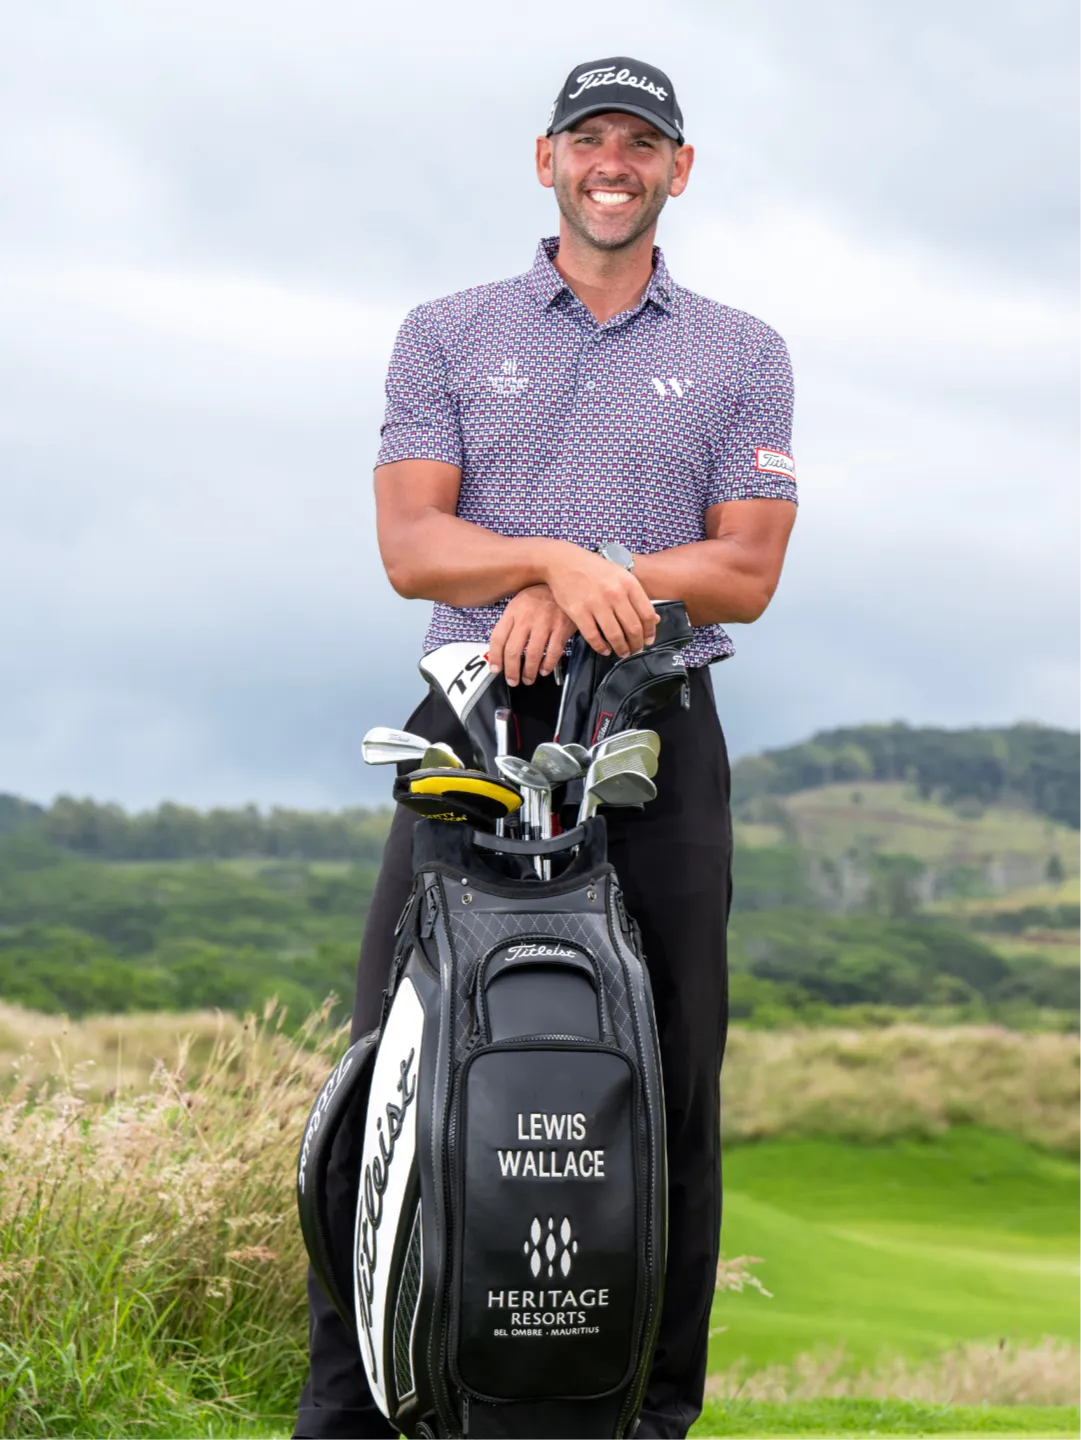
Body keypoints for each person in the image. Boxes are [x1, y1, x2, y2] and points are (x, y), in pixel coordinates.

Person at [294, 54, 797, 1440]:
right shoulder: (446, 332)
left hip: (657, 732)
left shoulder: (744, 351)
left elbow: (747, 570)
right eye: (590, 140)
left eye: (641, 143)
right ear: (547, 159)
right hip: (474, 723)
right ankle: (356, 1411)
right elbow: (414, 545)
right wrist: (553, 565)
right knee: (393, 1064)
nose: (612, 165)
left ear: (678, 169)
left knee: (672, 1078)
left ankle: (646, 1419)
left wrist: (584, 585)